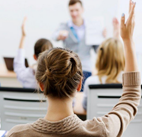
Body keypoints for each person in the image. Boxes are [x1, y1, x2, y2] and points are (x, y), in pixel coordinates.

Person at [7, 1, 141, 137]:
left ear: (41, 85)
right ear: (79, 85)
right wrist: (127, 40)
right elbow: (131, 97)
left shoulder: (16, 134)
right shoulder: (101, 131)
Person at [53, 0, 107, 91]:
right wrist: (59, 35)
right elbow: (54, 36)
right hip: (69, 68)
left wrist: (102, 38)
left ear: (82, 10)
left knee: (84, 94)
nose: (74, 13)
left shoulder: (91, 27)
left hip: (85, 68)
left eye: (77, 10)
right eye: (71, 10)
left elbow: (98, 51)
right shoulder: (65, 26)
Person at [82, 18, 125, 110]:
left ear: (101, 57)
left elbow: (86, 106)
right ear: (122, 56)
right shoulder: (130, 83)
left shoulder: (91, 82)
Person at [14, 17, 53, 88]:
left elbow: (18, 65)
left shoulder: (25, 75)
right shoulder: (55, 78)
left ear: (34, 57)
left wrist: (23, 36)